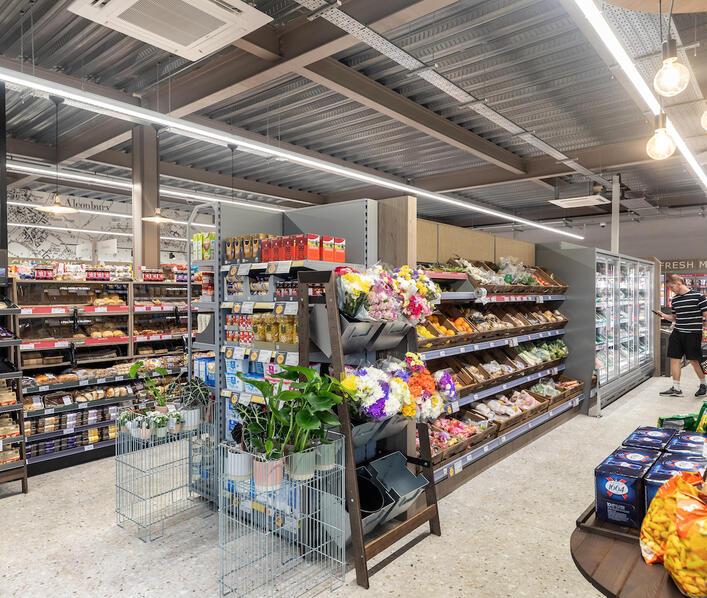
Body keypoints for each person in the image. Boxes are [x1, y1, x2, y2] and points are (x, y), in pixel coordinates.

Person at [657, 274, 707, 397]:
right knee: (674, 359)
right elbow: (674, 318)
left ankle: (703, 385)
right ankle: (676, 388)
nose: (671, 289)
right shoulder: (675, 300)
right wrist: (663, 315)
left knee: (694, 360)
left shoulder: (699, 296)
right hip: (677, 332)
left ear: (679, 283)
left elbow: (706, 315)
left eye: (672, 286)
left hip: (692, 333)